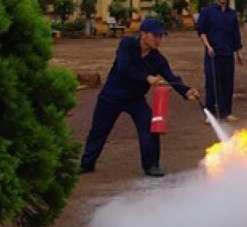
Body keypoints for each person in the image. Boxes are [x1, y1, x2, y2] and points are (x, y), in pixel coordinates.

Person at [79, 18, 200, 177]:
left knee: (150, 126)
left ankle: (152, 165)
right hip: (111, 95)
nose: (158, 40)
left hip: (135, 99)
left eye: (160, 36)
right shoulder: (127, 44)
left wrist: (186, 91)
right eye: (155, 36)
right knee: (99, 130)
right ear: (143, 34)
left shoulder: (158, 59)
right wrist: (147, 78)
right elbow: (124, 68)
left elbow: (171, 77)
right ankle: (86, 164)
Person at [197, 0, 244, 122]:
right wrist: (208, 46)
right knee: (212, 83)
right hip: (213, 55)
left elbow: (236, 35)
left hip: (228, 54)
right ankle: (210, 114)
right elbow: (201, 31)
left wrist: (238, 53)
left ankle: (226, 112)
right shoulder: (207, 12)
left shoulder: (231, 14)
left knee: (227, 83)